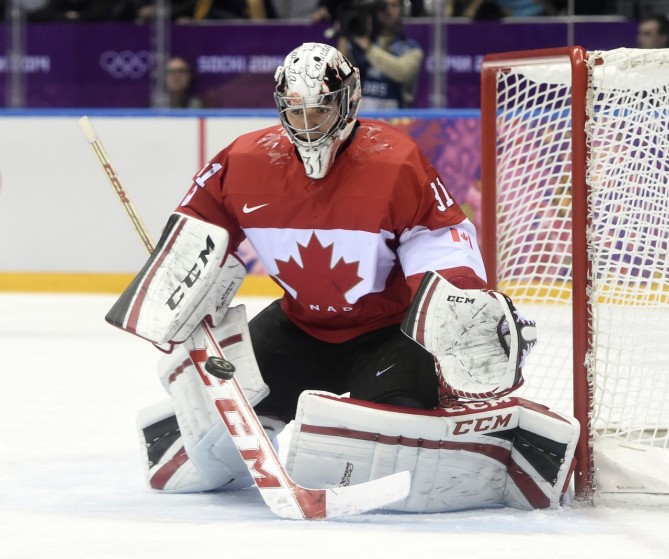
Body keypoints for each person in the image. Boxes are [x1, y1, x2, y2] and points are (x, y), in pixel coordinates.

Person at [110, 42, 578, 512]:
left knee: (397, 431)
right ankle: (192, 431)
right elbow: (201, 226)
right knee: (216, 422)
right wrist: (174, 288)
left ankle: (476, 435)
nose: (308, 124)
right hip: (298, 329)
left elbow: (439, 243)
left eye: (321, 109)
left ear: (349, 101)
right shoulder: (245, 159)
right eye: (297, 111)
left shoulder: (395, 161)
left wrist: (462, 311)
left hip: (388, 336)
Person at [333, 0, 423, 109]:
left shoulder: (410, 47)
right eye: (383, 6)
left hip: (396, 118)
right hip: (361, 117)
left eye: (394, 5)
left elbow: (403, 72)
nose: (388, 10)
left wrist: (368, 48)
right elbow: (340, 79)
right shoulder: (355, 47)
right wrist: (344, 35)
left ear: (401, 9)